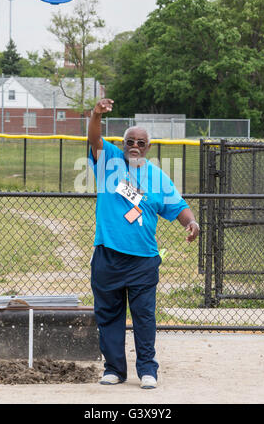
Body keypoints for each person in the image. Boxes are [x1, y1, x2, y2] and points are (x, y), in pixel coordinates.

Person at [88, 98, 199, 389]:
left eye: (140, 142)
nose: (134, 145)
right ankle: (114, 369)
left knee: (144, 318)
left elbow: (177, 206)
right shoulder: (109, 162)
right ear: (122, 143)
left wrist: (191, 222)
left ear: (148, 147)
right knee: (109, 316)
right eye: (129, 141)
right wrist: (96, 114)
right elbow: (94, 138)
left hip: (143, 261)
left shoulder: (157, 177)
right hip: (108, 256)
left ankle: (148, 370)